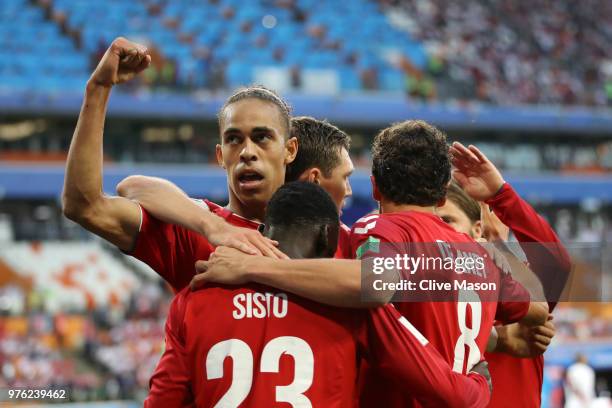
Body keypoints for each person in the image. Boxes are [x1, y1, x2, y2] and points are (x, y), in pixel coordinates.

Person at [195, 120, 550, 406]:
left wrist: (251, 267)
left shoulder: (376, 229)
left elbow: (375, 286)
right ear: (443, 194)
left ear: (376, 187)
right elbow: (537, 307)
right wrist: (495, 328)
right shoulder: (480, 257)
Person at [145, 182, 492, 407]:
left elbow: (164, 401)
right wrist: (478, 382)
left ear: (265, 231)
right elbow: (447, 391)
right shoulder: (349, 304)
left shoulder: (193, 299)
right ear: (330, 238)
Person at [62, 37, 291, 293]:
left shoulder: (328, 238)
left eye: (262, 138)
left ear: (289, 150)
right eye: (234, 140)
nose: (248, 152)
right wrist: (99, 87)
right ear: (220, 156)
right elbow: (84, 206)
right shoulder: (192, 229)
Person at [450, 141, 572, 408]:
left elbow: (557, 262)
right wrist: (499, 339)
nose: (482, 222)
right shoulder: (430, 277)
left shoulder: (521, 279)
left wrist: (501, 196)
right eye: (446, 220)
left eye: (488, 210)